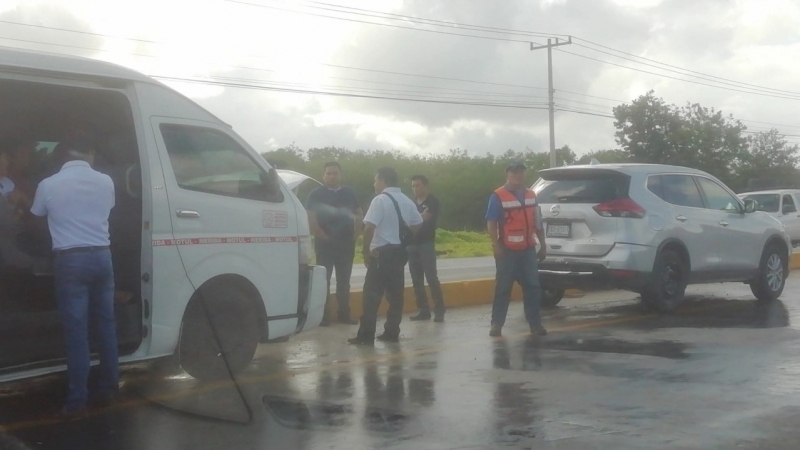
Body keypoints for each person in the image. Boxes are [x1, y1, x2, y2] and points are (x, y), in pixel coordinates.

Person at [30, 137, 118, 416]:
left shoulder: (48, 184)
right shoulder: (106, 181)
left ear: (63, 156)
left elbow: (36, 218)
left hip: (70, 260)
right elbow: (107, 210)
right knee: (106, 325)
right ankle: (108, 389)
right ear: (89, 152)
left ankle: (78, 400)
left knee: (77, 332)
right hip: (102, 256)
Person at [348, 167, 422, 345]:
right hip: (399, 253)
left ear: (383, 180)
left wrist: (365, 251)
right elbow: (418, 222)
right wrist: (403, 238)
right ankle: (392, 332)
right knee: (395, 296)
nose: (374, 184)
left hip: (381, 254)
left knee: (371, 296)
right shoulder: (406, 200)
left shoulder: (380, 200)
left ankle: (366, 335)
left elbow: (369, 228)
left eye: (376, 180)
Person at [485, 162, 547, 338]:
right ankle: (497, 324)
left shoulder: (531, 195)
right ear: (507, 174)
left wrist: (543, 245)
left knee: (533, 287)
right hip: (507, 251)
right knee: (503, 288)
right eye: (514, 172)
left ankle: (535, 324)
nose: (518, 175)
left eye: (520, 172)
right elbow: (491, 222)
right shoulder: (498, 196)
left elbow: (537, 221)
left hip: (528, 249)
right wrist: (495, 245)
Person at [306, 161, 363, 325]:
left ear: (340, 175)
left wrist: (356, 234)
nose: (332, 176)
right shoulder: (316, 194)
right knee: (324, 280)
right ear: (323, 175)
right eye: (328, 173)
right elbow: (310, 215)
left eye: (335, 173)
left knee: (344, 281)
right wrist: (320, 234)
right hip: (324, 244)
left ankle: (344, 315)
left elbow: (358, 213)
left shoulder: (349, 193)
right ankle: (323, 316)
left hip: (346, 243)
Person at [407, 175, 446, 322]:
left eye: (417, 185)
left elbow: (424, 218)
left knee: (431, 277)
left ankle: (439, 310)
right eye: (413, 186)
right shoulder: (411, 203)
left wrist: (413, 220)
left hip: (426, 244)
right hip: (412, 244)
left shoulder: (432, 201)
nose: (415, 189)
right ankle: (423, 310)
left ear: (425, 186)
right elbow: (408, 219)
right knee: (416, 279)